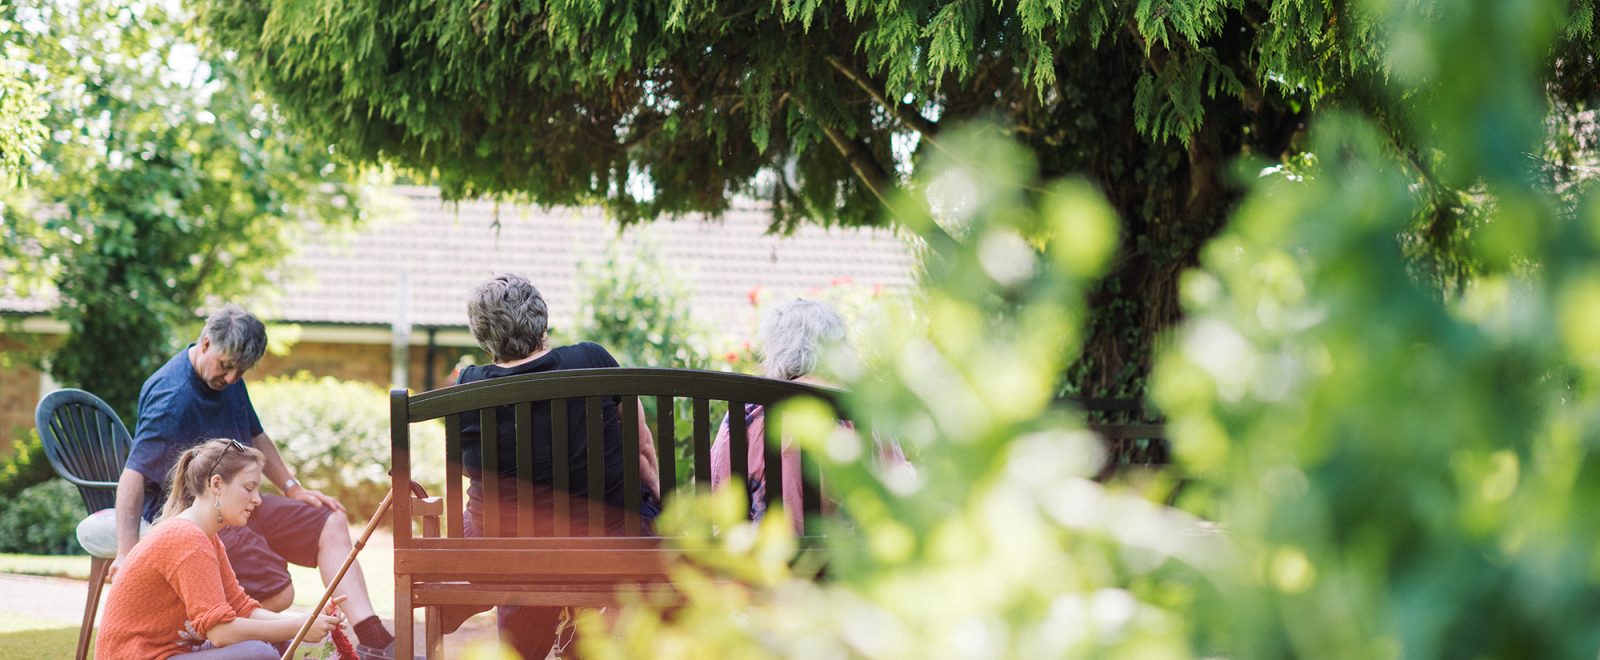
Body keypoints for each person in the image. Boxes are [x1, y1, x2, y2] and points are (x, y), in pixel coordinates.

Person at [96, 305, 402, 659]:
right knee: (268, 620)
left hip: (225, 503)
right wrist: (124, 549)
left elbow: (256, 436)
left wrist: (292, 488)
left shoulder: (210, 539)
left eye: (239, 372)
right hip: (195, 512)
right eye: (226, 366)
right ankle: (207, 633)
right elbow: (134, 472)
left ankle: (372, 636)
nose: (230, 378)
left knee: (329, 520)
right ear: (206, 343)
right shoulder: (172, 398)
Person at [454, 272, 661, 657]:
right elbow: (642, 447)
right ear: (542, 321)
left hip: (507, 553)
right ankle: (583, 637)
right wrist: (662, 506)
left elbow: (468, 470)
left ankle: (524, 649)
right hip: (605, 544)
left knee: (508, 532)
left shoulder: (469, 384)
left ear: (483, 335)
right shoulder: (591, 359)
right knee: (635, 514)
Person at [96, 439, 345, 659]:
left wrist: (309, 621)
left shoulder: (208, 538)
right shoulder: (185, 538)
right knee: (259, 654)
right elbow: (220, 632)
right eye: (249, 488)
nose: (257, 499)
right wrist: (300, 627)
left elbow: (243, 609)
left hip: (172, 651)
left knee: (275, 642)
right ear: (217, 484)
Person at [711, 299, 911, 532]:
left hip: (766, 556)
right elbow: (897, 485)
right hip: (849, 556)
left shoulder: (750, 410)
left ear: (776, 350)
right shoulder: (863, 407)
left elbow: (720, 489)